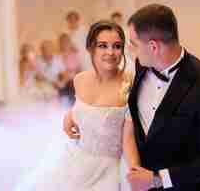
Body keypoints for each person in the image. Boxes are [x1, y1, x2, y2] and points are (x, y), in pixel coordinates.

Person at [66, 4, 200, 191]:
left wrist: (158, 178)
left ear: (153, 47)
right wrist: (76, 113)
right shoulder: (140, 66)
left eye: (134, 44)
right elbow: (108, 93)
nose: (129, 50)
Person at [14, 20, 135, 191]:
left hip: (113, 166)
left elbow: (129, 134)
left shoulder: (129, 80)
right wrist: (72, 114)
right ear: (90, 49)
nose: (110, 52)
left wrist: (136, 169)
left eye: (116, 46)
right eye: (102, 45)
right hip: (80, 160)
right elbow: (86, 108)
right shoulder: (81, 80)